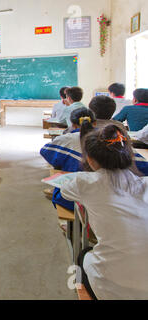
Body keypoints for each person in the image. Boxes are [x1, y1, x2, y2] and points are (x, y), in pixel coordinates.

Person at [60, 124, 148, 300]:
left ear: (90, 159)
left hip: (115, 289)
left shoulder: (86, 182)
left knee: (83, 254)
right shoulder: (145, 183)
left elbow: (63, 192)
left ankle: (78, 289)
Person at [41, 108, 97, 211]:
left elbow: (45, 152)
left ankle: (69, 225)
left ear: (73, 125)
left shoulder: (67, 138)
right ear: (95, 123)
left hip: (72, 199)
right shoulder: (108, 138)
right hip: (103, 198)